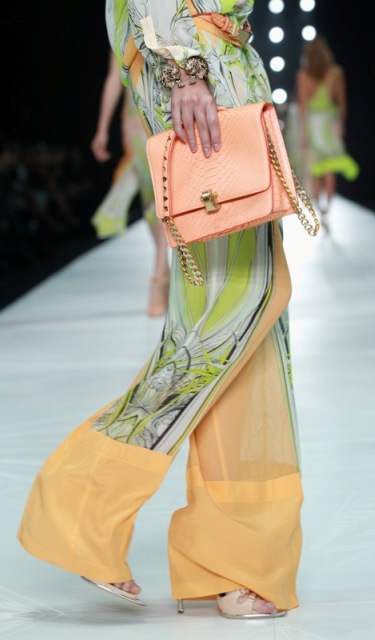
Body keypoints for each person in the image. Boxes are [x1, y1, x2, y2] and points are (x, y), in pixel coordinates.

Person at [17, 0, 304, 619]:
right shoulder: (188, 66)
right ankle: (81, 500)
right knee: (235, 311)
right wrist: (184, 70)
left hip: (215, 64)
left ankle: (229, 559)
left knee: (245, 328)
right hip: (199, 70)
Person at [91, 52, 170, 316]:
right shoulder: (120, 33)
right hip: (134, 121)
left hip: (166, 112)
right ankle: (164, 270)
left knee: (163, 195)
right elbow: (114, 78)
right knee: (150, 198)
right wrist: (102, 129)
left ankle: (159, 276)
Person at [296, 35, 359, 231]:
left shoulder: (303, 75)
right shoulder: (336, 73)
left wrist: (303, 134)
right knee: (330, 170)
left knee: (316, 170)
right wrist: (341, 124)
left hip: (313, 125)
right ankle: (327, 211)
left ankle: (321, 210)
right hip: (330, 124)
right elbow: (342, 103)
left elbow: (303, 107)